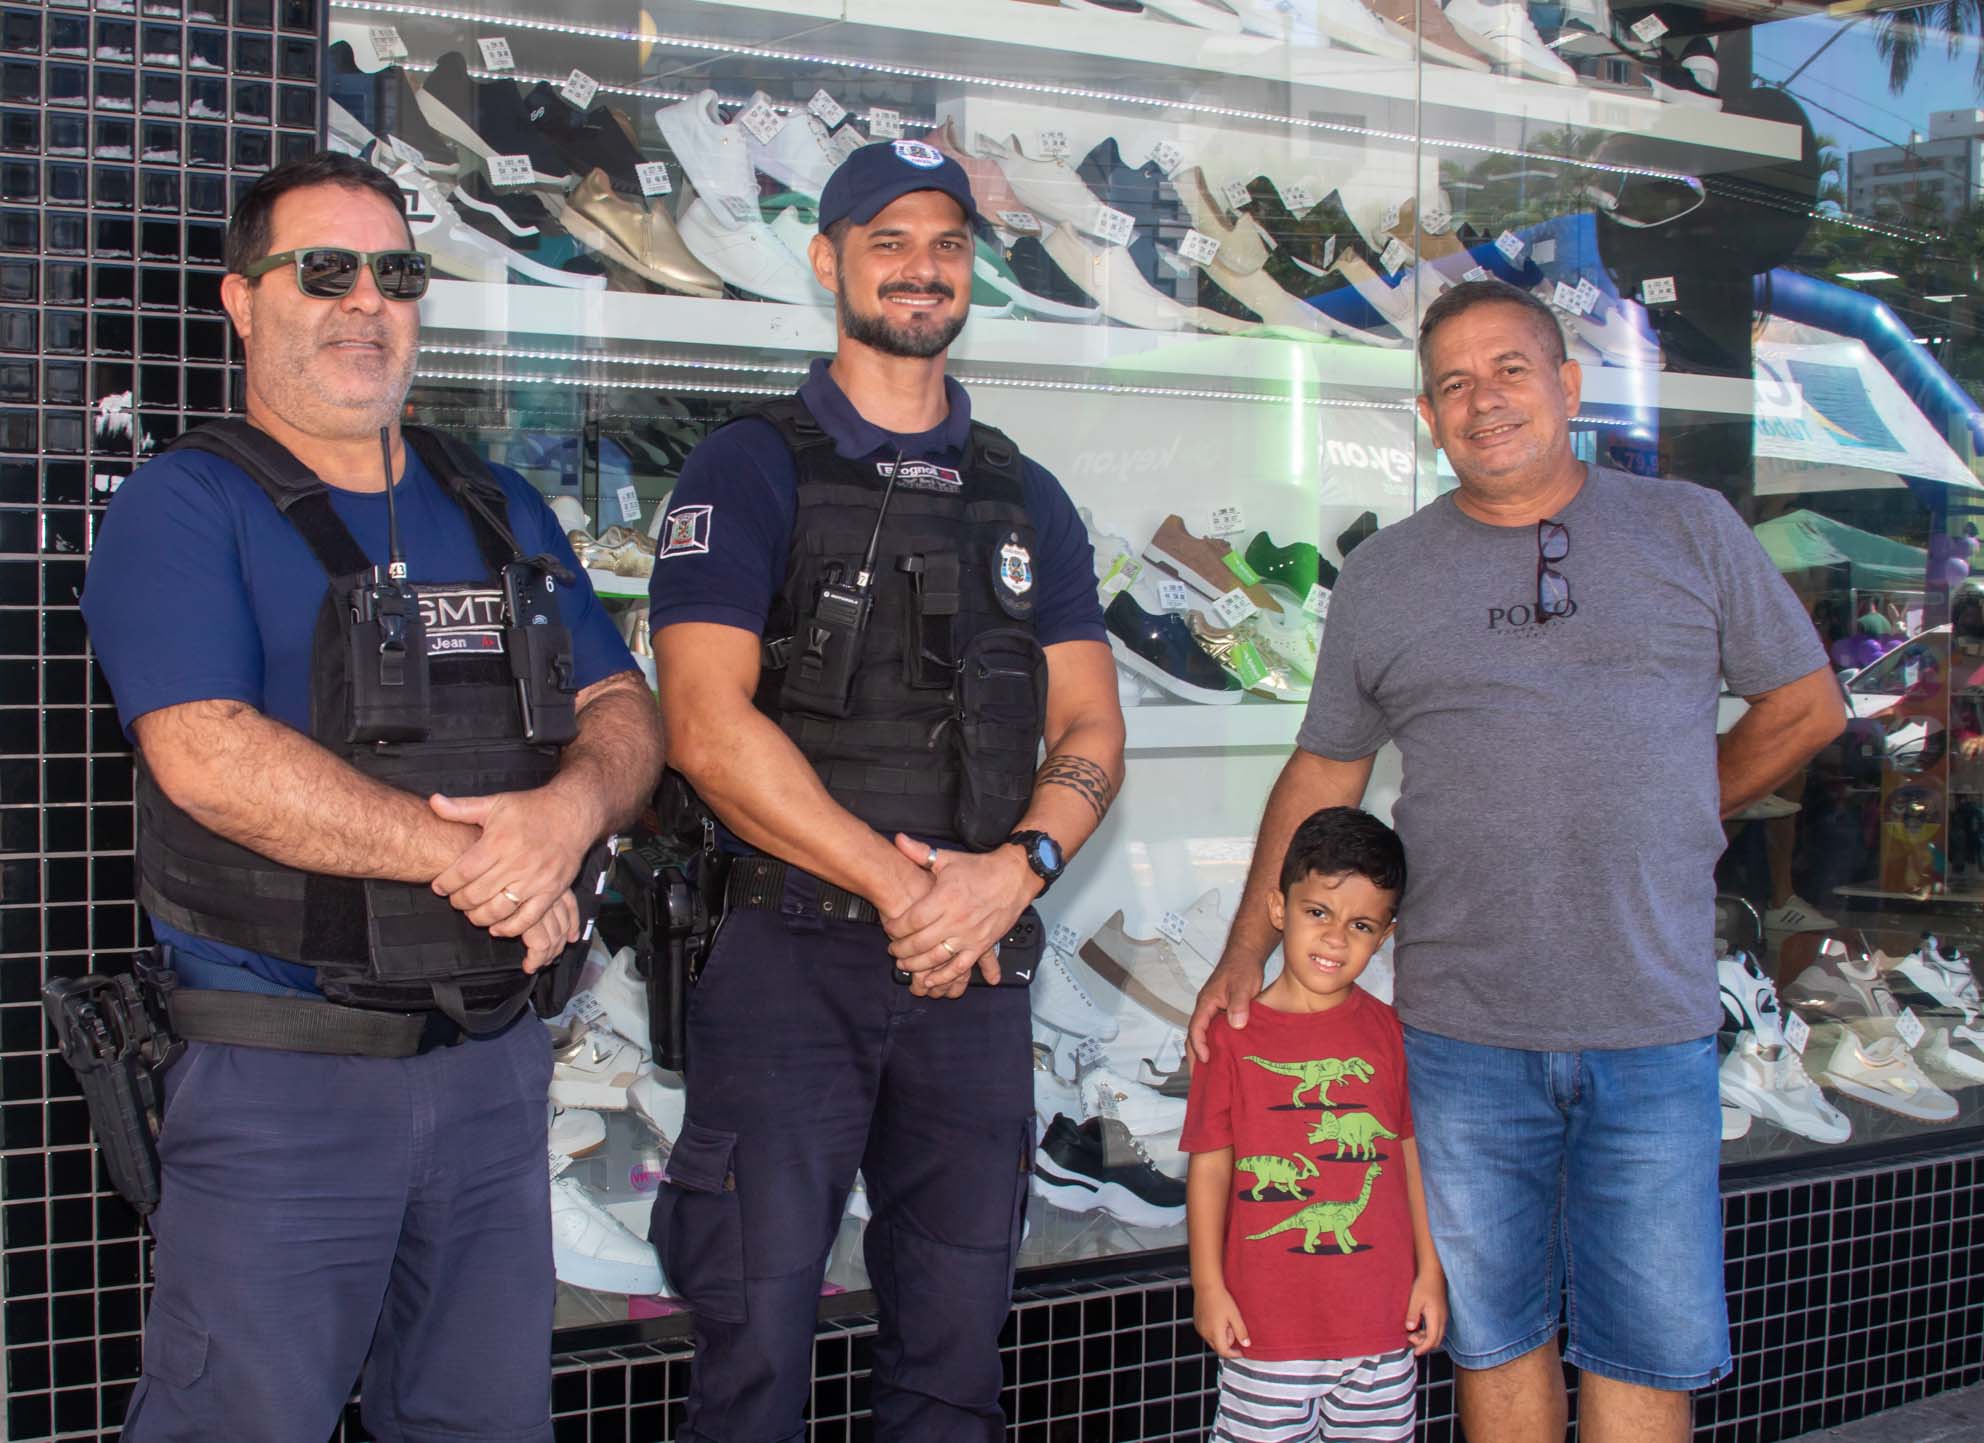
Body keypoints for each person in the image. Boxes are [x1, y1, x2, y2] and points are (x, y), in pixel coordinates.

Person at [1187, 281, 1845, 1443]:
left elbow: (1803, 706)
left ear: (1567, 386)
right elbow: (1323, 772)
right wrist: (1243, 951)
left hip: (1649, 1019)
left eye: (1508, 370)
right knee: (1493, 1338)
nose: (1481, 400)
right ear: (1426, 420)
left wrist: (1682, 801)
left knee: (1644, 1351)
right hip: (1462, 1037)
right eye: (1451, 384)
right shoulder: (1386, 575)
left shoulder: (1688, 527)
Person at [81, 151, 665, 1443]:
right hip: (285, 1081)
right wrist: (485, 861)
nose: (366, 301)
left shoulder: (494, 500)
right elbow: (206, 752)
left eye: (396, 274)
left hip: (496, 1076)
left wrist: (568, 814)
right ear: (242, 299)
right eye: (324, 270)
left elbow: (623, 708)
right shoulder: (186, 505)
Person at [646, 138, 1126, 1441]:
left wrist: (1013, 871)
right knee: (752, 1353)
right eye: (889, 241)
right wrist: (909, 889)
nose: (923, 267)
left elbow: (1091, 723)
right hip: (791, 960)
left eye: (947, 244)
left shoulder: (1024, 494)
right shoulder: (748, 465)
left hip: (972, 972)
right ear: (827, 260)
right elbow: (703, 726)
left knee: (955, 1359)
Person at [1184, 806, 1443, 1443]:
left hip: (1381, 1324)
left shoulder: (1391, 1034)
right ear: (1279, 908)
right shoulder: (1231, 1035)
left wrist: (1430, 1274)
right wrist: (1208, 1287)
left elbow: (1412, 1156)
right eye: (1318, 912)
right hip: (1265, 1329)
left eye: (1360, 925)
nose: (1334, 940)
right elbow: (1210, 1167)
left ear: (1385, 935)